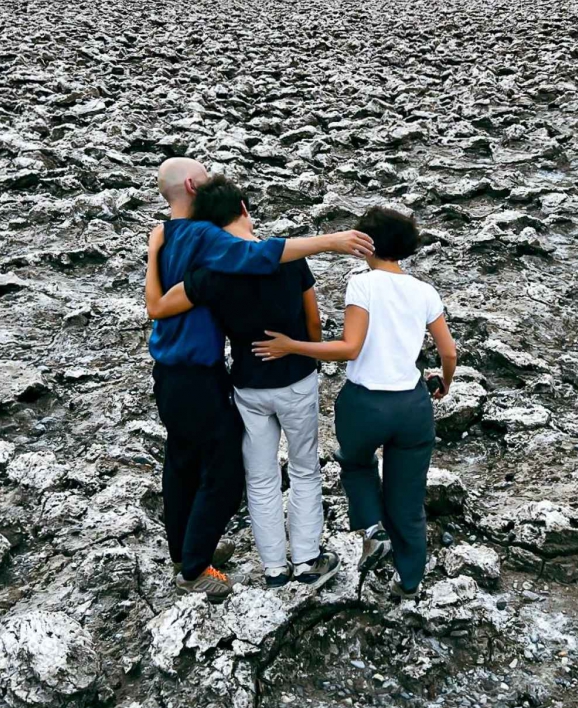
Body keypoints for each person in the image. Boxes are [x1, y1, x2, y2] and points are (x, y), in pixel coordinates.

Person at [146, 158, 372, 600]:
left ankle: (227, 559)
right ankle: (205, 566)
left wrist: (154, 254)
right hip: (233, 376)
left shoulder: (173, 241)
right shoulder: (215, 246)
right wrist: (331, 241)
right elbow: (261, 258)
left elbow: (157, 307)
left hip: (202, 378)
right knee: (248, 471)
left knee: (192, 463)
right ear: (195, 185)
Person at [253, 205, 457, 597]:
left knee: (356, 463)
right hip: (412, 405)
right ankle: (409, 581)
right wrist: (442, 382)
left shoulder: (362, 284)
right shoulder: (425, 291)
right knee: (408, 496)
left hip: (365, 403)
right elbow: (448, 352)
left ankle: (372, 528)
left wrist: (291, 346)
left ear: (367, 245)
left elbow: (349, 348)